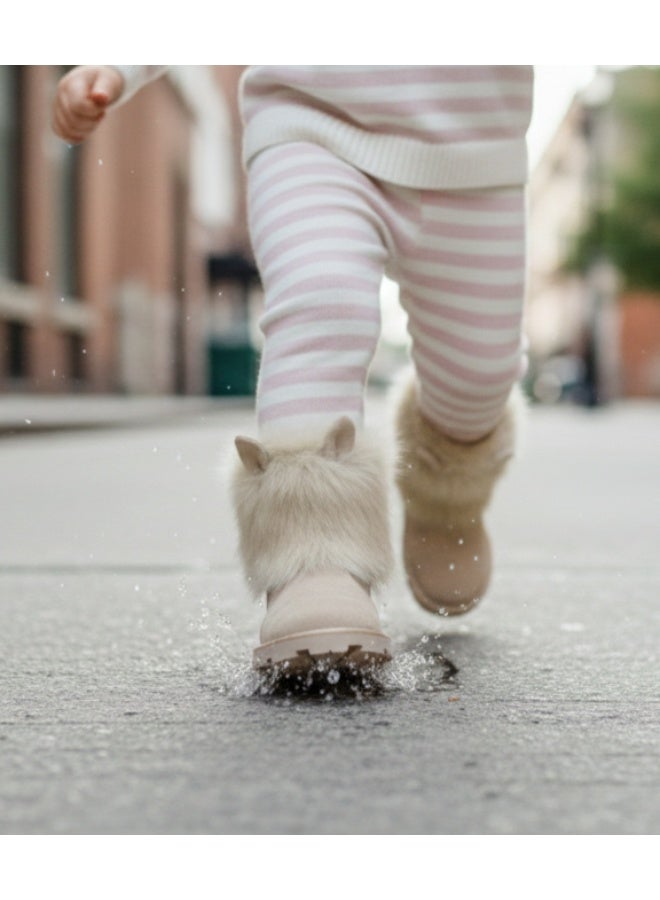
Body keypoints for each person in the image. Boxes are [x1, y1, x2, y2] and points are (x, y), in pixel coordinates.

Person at [53, 65, 532, 674]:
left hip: (475, 156)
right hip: (310, 122)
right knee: (320, 299)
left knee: (476, 375)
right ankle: (311, 557)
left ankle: (445, 494)